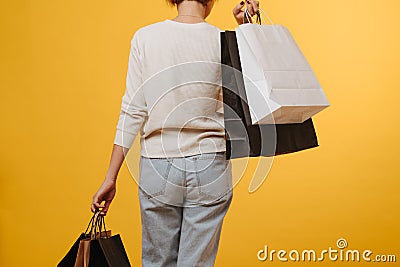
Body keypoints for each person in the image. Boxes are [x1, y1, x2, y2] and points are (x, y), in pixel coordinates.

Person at [91, 0, 259, 266]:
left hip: (158, 166)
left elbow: (132, 112)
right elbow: (254, 93)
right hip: (209, 165)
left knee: (157, 262)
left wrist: (110, 178)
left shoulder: (145, 38)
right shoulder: (223, 40)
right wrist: (247, 26)